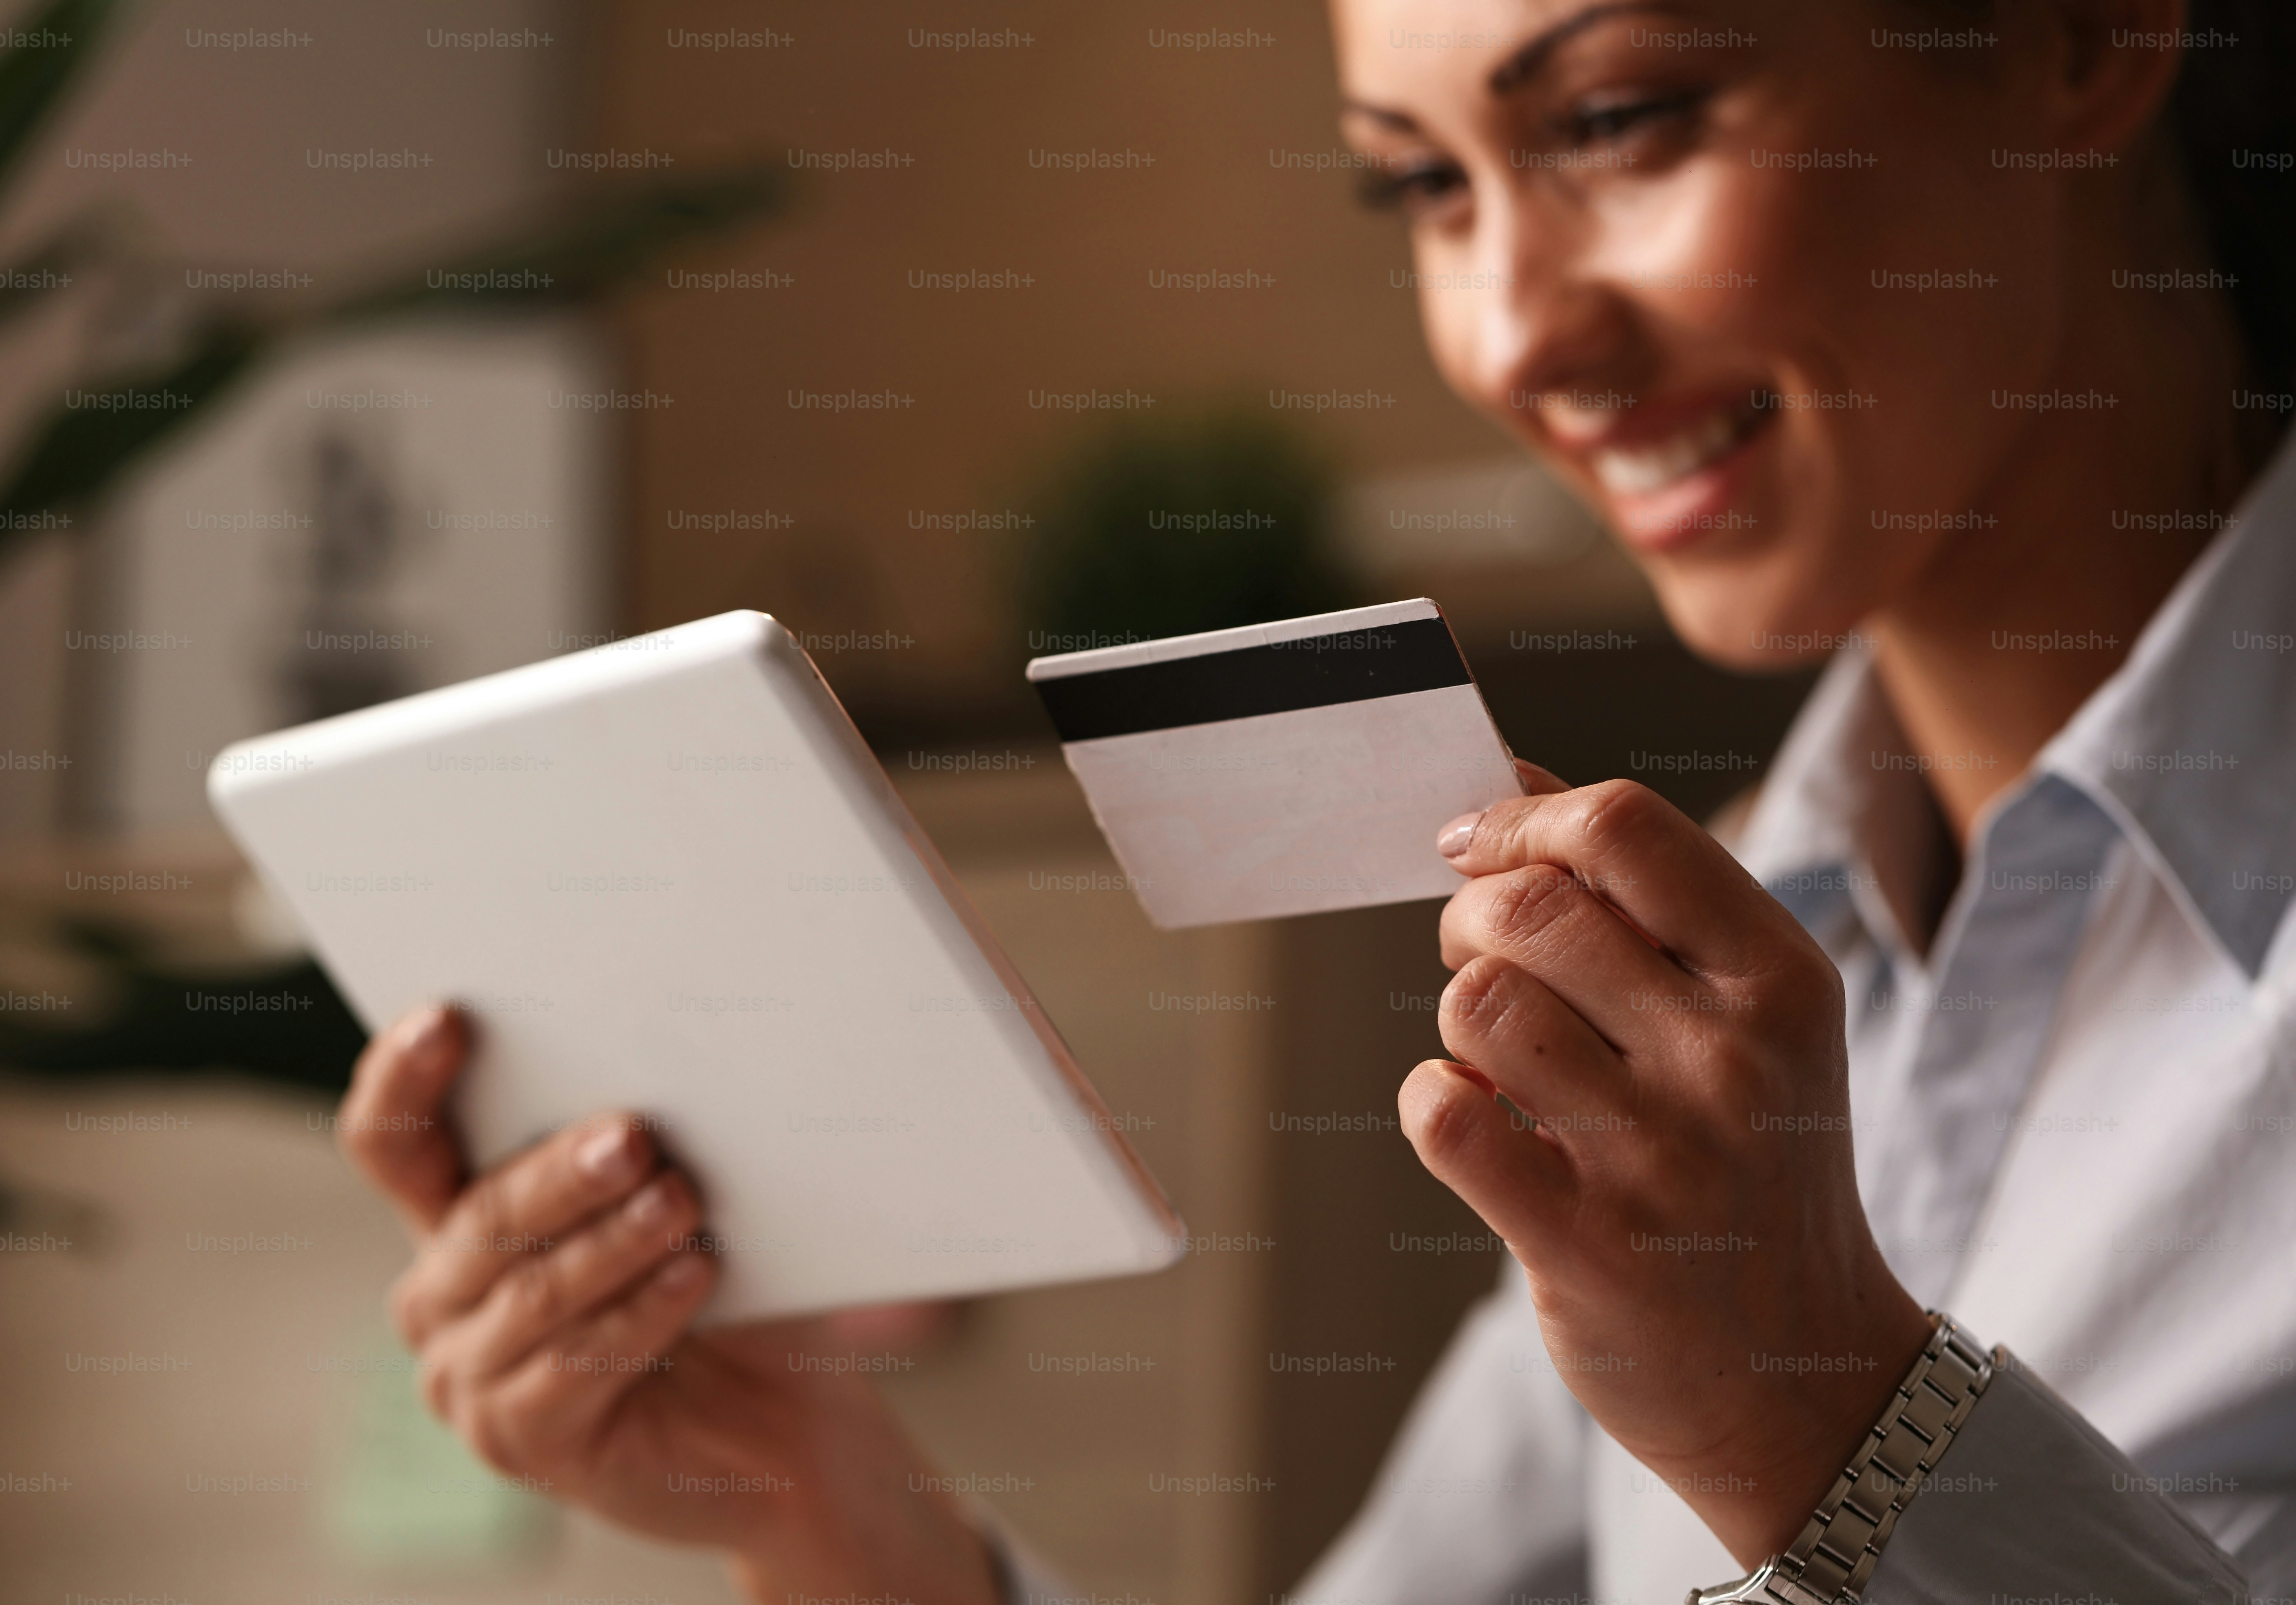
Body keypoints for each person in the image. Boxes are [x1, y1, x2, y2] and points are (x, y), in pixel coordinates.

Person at [332, 1, 2296, 1600]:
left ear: (2083, 39)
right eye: (1424, 188)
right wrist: (819, 1503)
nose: (1513, 335)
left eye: (1619, 119)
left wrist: (1823, 1423)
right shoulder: (1755, 947)